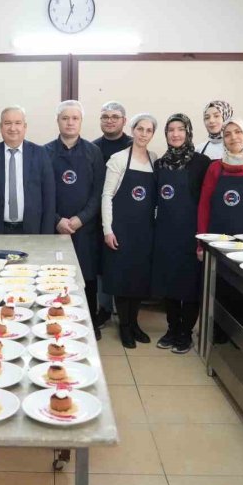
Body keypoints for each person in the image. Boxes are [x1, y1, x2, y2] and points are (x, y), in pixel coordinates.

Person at [44, 100, 106, 336]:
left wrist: (81, 218)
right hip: (55, 228)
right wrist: (57, 219)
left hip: (85, 228)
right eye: (65, 118)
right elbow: (41, 193)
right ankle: (56, 322)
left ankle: (89, 325)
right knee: (56, 277)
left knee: (86, 277)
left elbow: (98, 191)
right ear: (58, 121)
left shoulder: (93, 152)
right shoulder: (45, 152)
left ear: (81, 121)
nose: (70, 122)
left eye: (75, 118)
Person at [151, 113, 211, 353]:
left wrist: (202, 238)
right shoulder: (160, 163)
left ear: (188, 133)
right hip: (165, 232)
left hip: (191, 234)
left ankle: (186, 332)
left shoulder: (201, 163)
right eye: (170, 130)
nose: (175, 134)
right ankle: (172, 328)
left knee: (190, 285)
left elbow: (207, 202)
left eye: (180, 129)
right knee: (170, 283)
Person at [102, 113, 158, 348]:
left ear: (152, 134)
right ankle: (124, 326)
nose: (144, 134)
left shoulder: (155, 159)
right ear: (132, 130)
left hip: (144, 230)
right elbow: (107, 196)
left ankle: (135, 323)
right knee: (122, 280)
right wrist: (108, 229)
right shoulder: (118, 159)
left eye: (149, 130)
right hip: (121, 229)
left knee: (138, 280)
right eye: (140, 129)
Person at [0, 106, 56, 234]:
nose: (13, 128)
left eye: (18, 123)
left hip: (32, 231)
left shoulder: (40, 153)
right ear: (1, 127)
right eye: (7, 123)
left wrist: (46, 235)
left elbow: (49, 198)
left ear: (25, 126)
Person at [91, 101, 131, 327]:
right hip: (99, 216)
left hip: (127, 217)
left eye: (115, 116)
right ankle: (104, 308)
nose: (109, 120)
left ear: (124, 121)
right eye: (105, 116)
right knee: (101, 265)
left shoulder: (134, 145)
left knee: (125, 264)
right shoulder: (94, 148)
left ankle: (126, 313)